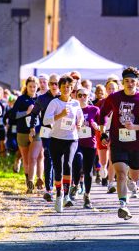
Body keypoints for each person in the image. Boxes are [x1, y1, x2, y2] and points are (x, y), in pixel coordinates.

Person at [99, 66, 139, 220]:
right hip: (118, 142)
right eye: (127, 81)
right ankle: (123, 205)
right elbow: (102, 114)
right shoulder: (114, 97)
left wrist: (136, 126)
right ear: (122, 82)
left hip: (136, 144)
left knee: (134, 175)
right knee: (121, 174)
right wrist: (103, 132)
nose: (130, 84)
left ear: (137, 83)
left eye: (132, 81)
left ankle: (133, 180)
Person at [44, 74, 84, 212]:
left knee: (68, 164)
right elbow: (45, 121)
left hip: (71, 138)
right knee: (58, 168)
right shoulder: (54, 103)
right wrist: (60, 115)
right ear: (59, 88)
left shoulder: (75, 103)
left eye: (69, 87)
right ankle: (59, 195)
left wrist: (79, 123)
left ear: (72, 88)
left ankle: (66, 196)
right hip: (56, 139)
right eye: (63, 87)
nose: (66, 89)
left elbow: (81, 118)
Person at [13, 76, 41, 193]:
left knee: (33, 157)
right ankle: (28, 183)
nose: (32, 88)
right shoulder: (21, 99)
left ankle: (32, 179)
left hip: (37, 132)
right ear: (26, 86)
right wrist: (27, 112)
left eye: (34, 86)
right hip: (22, 132)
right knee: (26, 159)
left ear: (37, 87)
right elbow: (13, 115)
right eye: (30, 86)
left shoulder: (40, 99)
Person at [35, 74, 60, 202]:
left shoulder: (64, 98)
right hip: (46, 131)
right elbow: (34, 114)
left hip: (61, 132)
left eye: (56, 83)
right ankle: (48, 189)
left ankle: (61, 187)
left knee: (59, 159)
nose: (54, 86)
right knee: (48, 156)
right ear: (48, 85)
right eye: (52, 83)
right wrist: (32, 128)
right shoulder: (42, 98)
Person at [76, 87, 101, 208]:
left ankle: (87, 195)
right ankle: (74, 186)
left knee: (88, 171)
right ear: (76, 97)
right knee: (77, 161)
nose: (82, 98)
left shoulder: (94, 109)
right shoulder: (73, 109)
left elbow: (102, 126)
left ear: (89, 96)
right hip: (75, 142)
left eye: (85, 95)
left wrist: (97, 127)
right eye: (80, 95)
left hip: (90, 143)